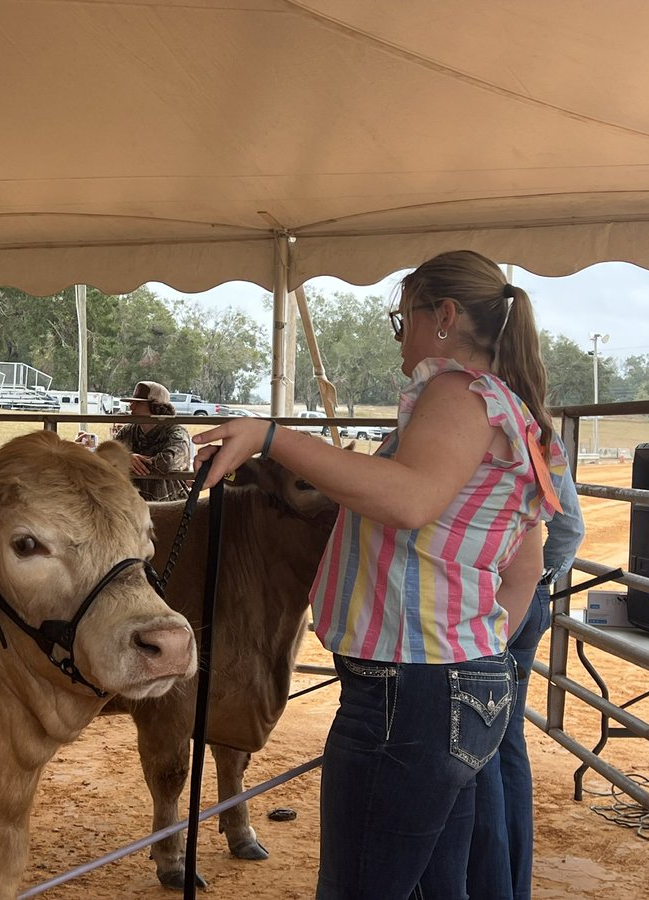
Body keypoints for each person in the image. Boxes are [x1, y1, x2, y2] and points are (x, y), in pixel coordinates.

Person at [192, 249, 563, 900]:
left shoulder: (457, 391)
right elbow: (525, 566)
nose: (401, 336)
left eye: (403, 318)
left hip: (407, 691)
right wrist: (469, 647)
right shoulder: (516, 414)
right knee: (441, 887)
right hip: (455, 680)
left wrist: (271, 437)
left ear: (443, 315)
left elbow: (410, 497)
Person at [468, 439, 584, 900]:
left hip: (485, 600)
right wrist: (539, 581)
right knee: (506, 741)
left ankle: (485, 882)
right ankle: (511, 882)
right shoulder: (543, 438)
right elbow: (570, 529)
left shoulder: (488, 432)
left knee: (478, 746)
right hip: (527, 597)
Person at [94, 380, 191, 502]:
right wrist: (127, 458)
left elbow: (168, 462)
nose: (131, 406)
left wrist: (122, 461)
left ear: (156, 407)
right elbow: (106, 455)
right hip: (133, 502)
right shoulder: (128, 430)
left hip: (170, 503)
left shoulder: (176, 432)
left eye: (138, 403)